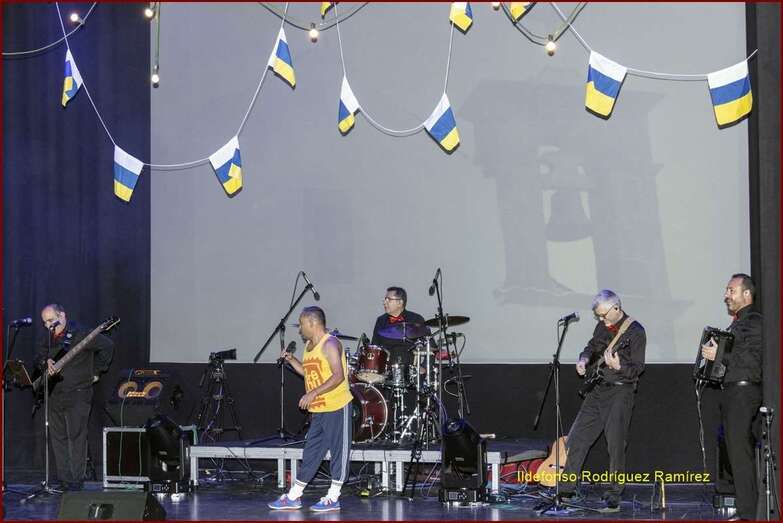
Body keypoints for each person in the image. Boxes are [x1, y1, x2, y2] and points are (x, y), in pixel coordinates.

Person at [557, 290, 646, 511]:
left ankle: (615, 493)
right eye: (598, 315)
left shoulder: (635, 331)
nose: (600, 319)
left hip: (620, 392)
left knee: (615, 444)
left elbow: (637, 368)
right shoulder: (602, 326)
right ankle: (565, 489)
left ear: (616, 308)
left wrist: (619, 366)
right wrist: (583, 359)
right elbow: (592, 346)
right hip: (597, 390)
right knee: (577, 438)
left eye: (603, 315)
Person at [268, 306, 353, 512]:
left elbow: (338, 376)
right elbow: (309, 373)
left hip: (337, 406)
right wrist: (292, 360)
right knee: (311, 453)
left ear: (313, 323)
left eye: (301, 324)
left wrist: (312, 393)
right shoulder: (308, 345)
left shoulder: (330, 344)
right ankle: (294, 496)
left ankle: (333, 497)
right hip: (319, 410)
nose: (299, 329)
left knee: (339, 452)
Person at [701, 273, 762, 521]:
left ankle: (749, 514)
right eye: (727, 290)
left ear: (746, 294)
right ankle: (746, 510)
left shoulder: (755, 321)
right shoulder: (737, 324)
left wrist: (720, 355)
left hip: (744, 392)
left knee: (740, 454)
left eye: (731, 290)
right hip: (733, 392)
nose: (726, 295)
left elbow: (753, 358)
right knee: (735, 454)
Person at [36, 303, 114, 491]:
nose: (48, 325)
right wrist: (45, 361)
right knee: (58, 437)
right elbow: (38, 357)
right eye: (44, 322)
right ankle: (64, 479)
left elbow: (108, 346)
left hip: (78, 392)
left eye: (51, 320)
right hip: (54, 393)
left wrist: (96, 371)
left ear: (62, 315)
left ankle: (76, 481)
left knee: (76, 436)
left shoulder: (81, 333)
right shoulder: (48, 338)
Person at [371, 287, 428, 366]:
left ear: (400, 303)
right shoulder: (381, 320)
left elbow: (430, 346)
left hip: (409, 368)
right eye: (385, 299)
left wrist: (424, 367)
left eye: (389, 299)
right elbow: (374, 346)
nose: (384, 302)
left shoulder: (416, 319)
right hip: (385, 368)